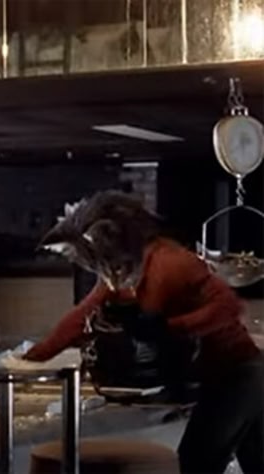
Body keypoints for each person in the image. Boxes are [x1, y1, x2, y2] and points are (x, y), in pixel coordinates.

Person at [23, 190, 263, 474]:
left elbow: (229, 307)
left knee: (194, 464)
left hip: (237, 373)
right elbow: (83, 314)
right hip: (230, 375)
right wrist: (30, 358)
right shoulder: (123, 272)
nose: (109, 277)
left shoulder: (170, 261)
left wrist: (170, 327)